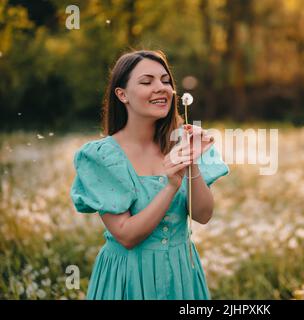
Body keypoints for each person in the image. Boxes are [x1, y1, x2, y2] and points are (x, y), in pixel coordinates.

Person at [70, 49, 229, 300]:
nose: (161, 88)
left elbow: (203, 215)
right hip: (129, 277)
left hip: (181, 273)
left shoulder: (184, 141)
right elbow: (127, 236)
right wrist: (170, 187)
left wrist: (191, 163)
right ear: (122, 95)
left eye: (166, 81)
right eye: (147, 82)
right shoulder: (102, 157)